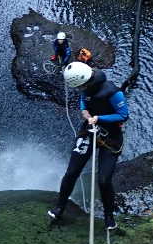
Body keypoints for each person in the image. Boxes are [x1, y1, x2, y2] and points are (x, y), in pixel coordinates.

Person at [48, 62, 129, 230]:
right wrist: (85, 112)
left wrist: (99, 118)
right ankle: (59, 207)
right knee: (71, 172)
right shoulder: (86, 87)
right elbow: (84, 101)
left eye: (80, 86)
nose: (79, 89)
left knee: (104, 180)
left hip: (110, 137)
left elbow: (123, 115)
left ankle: (109, 216)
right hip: (89, 131)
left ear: (86, 81)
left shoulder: (113, 92)